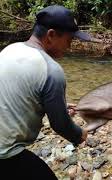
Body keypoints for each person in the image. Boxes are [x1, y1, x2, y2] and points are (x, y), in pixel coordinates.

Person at [0, 5, 92, 180]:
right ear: (51, 35)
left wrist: (59, 106)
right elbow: (60, 125)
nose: (70, 47)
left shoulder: (11, 49)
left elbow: (15, 95)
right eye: (69, 40)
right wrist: (79, 134)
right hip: (5, 155)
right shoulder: (51, 70)